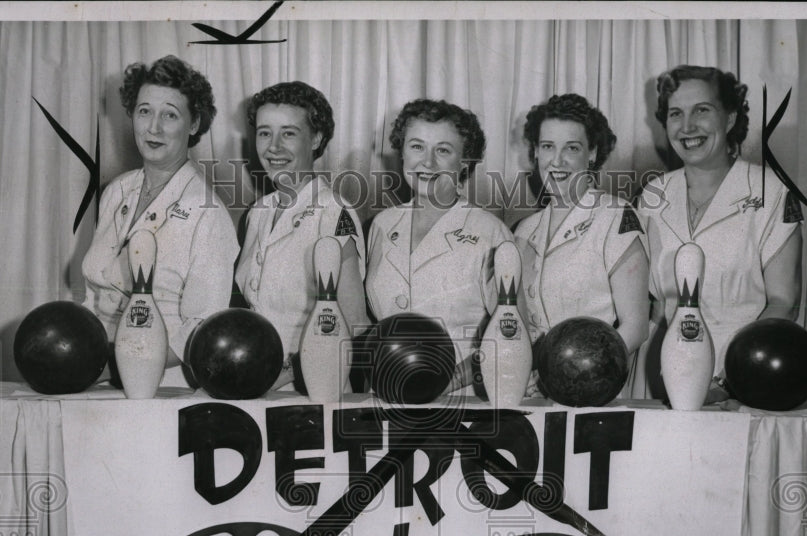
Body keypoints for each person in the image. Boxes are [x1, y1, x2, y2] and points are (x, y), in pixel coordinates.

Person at [637, 65, 803, 401]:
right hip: (664, 377)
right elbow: (651, 303)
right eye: (675, 114)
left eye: (702, 110)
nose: (687, 127)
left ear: (729, 118)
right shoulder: (652, 195)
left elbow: (784, 304)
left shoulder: (771, 193)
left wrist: (726, 383)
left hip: (746, 380)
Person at [82, 55, 237, 385]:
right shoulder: (116, 191)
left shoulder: (208, 213)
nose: (154, 127)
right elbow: (92, 296)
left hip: (160, 384)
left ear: (194, 124)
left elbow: (200, 326)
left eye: (170, 114)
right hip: (93, 372)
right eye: (144, 111)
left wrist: (118, 365)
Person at [366, 98, 513, 393]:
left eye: (443, 151)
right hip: (385, 397)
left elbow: (511, 335)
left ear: (465, 163)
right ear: (402, 152)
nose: (427, 162)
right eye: (416, 146)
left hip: (460, 401)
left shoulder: (489, 233)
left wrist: (447, 383)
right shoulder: (382, 224)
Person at [234, 81, 368, 390]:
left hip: (311, 386)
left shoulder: (334, 213)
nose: (273, 147)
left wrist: (280, 376)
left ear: (316, 139)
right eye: (265, 132)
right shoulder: (258, 212)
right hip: (257, 379)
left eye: (289, 133)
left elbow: (352, 323)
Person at [513, 93, 649, 369]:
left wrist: (572, 376)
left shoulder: (615, 216)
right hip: (530, 387)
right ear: (536, 151)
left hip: (593, 387)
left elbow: (635, 327)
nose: (557, 160)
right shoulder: (524, 231)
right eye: (548, 146)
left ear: (593, 153)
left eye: (572, 148)